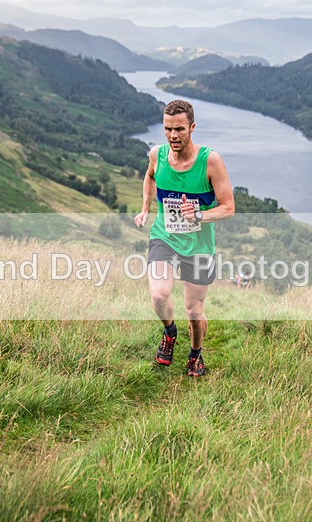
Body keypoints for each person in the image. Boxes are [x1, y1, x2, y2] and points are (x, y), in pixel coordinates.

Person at [134, 99, 234, 378]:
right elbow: (150, 177)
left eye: (179, 129)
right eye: (167, 129)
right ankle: (169, 332)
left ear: (192, 127)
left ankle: (195, 355)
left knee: (194, 310)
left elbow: (229, 207)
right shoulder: (157, 155)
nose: (173, 136)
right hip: (164, 237)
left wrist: (200, 216)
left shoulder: (210, 161)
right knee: (159, 294)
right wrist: (145, 208)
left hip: (199, 245)